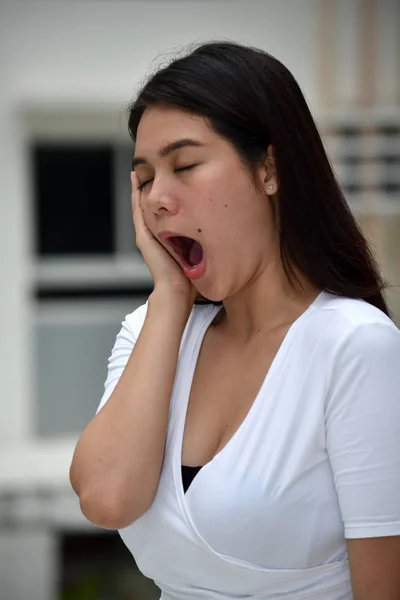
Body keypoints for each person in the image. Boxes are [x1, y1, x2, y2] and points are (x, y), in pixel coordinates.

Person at [70, 41, 400, 600]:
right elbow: (107, 499)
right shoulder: (151, 331)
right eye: (145, 177)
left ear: (269, 169)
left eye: (185, 165)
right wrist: (171, 295)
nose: (157, 200)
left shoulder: (355, 345)